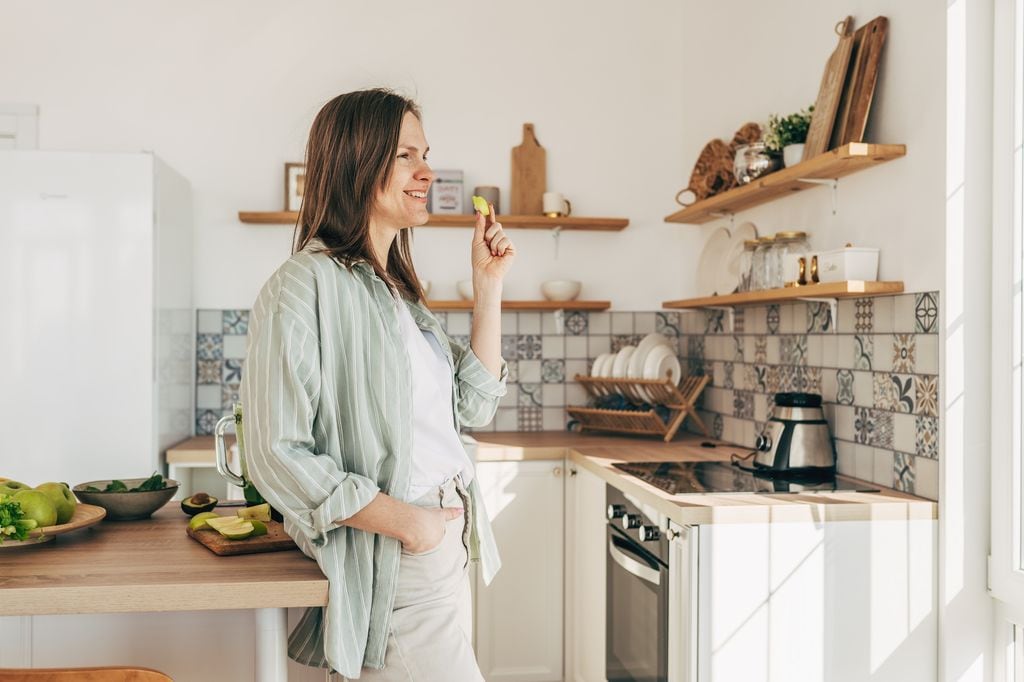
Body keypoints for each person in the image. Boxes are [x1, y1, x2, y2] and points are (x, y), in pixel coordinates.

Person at [238, 88, 513, 680]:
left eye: (425, 154)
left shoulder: (394, 292)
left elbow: (473, 404)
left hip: (439, 550)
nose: (427, 172)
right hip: (399, 554)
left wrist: (486, 288)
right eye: (406, 156)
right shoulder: (303, 285)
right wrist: (408, 524)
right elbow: (273, 452)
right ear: (356, 162)